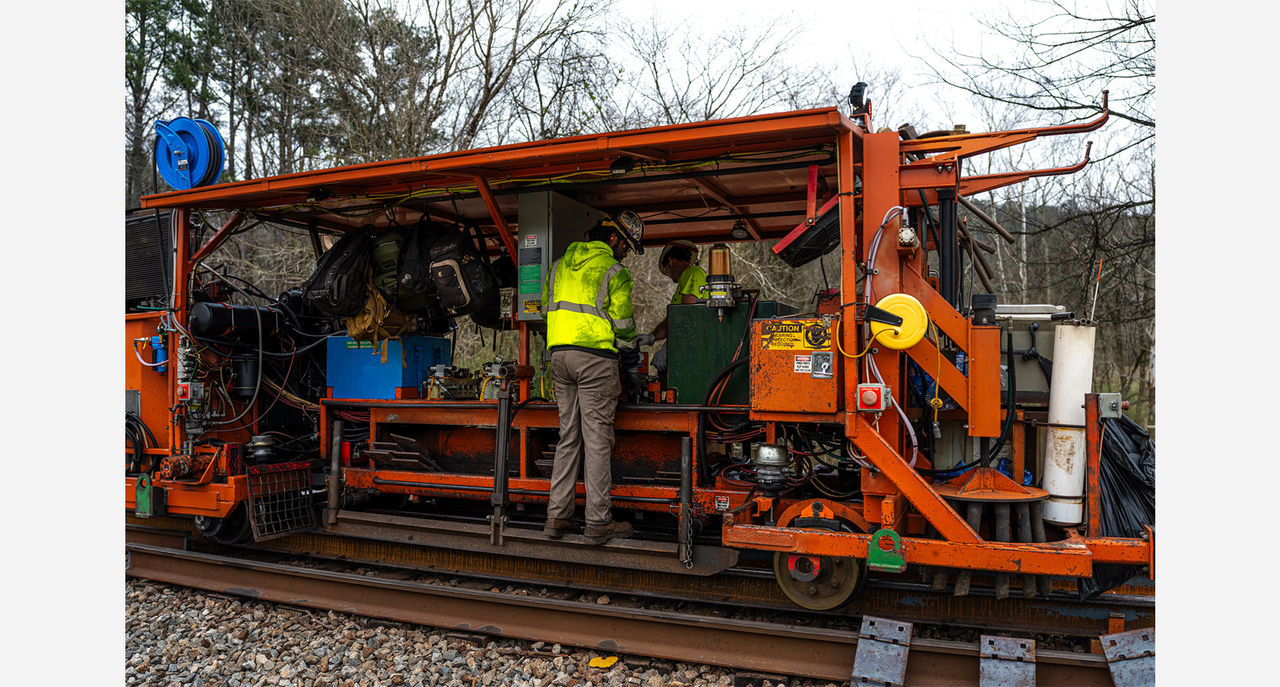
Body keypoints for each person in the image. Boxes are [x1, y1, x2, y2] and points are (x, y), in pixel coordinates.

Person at [541, 211, 646, 545]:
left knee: (568, 437)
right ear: (612, 238)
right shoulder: (614, 270)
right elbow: (624, 324)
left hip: (559, 357)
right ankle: (598, 522)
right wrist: (630, 361)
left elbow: (546, 309)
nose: (626, 253)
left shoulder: (558, 265)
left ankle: (557, 517)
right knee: (598, 440)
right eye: (626, 246)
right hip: (595, 360)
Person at [635, 241, 707, 371]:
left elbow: (687, 317)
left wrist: (668, 348)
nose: (669, 276)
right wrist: (651, 337)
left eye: (667, 270)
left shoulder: (692, 273)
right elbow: (673, 320)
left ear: (670, 261)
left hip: (697, 348)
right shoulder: (686, 280)